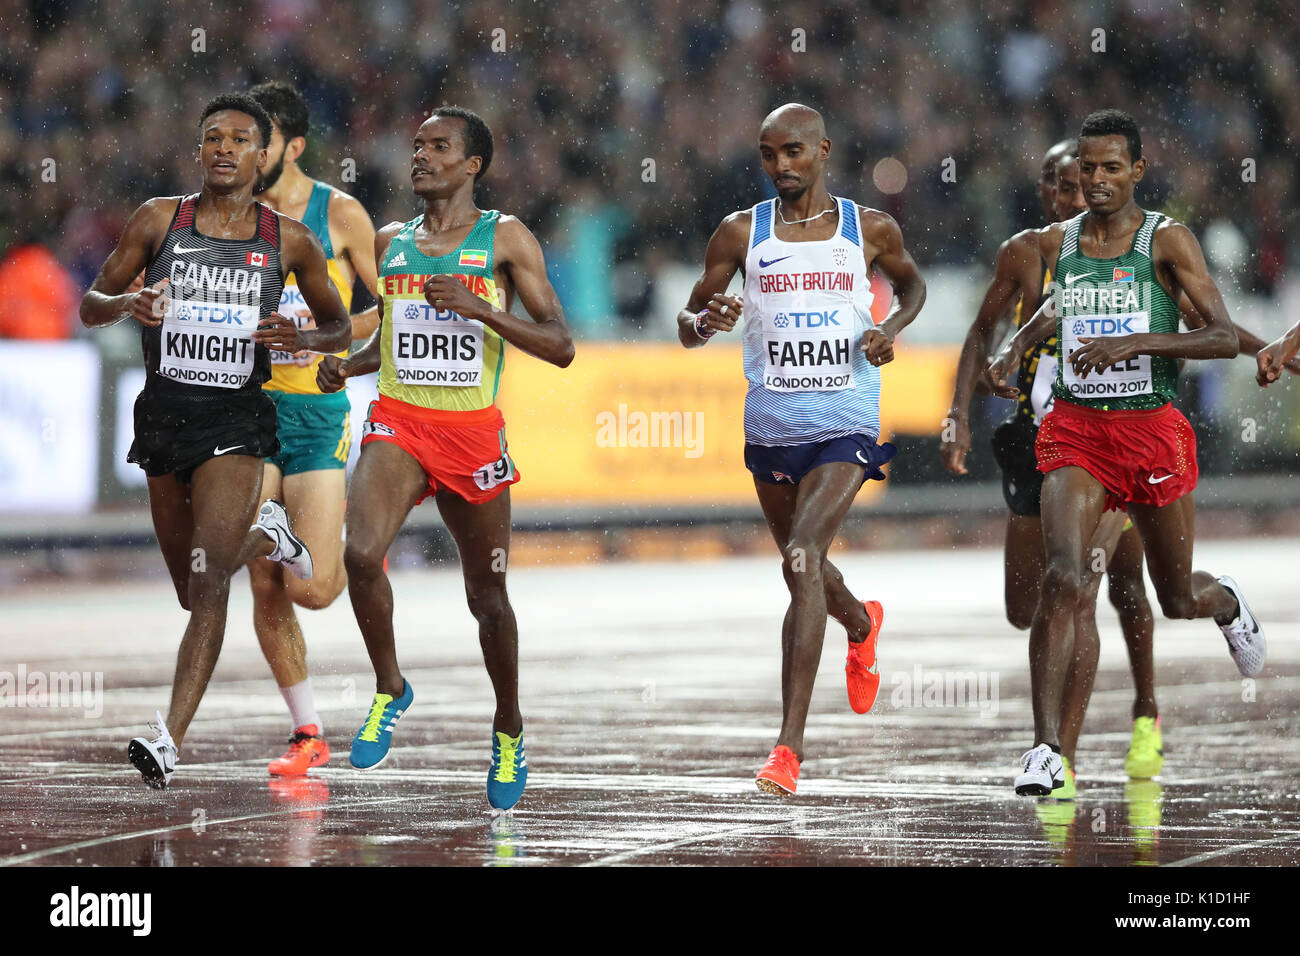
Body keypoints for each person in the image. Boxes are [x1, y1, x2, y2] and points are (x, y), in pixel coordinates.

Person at [987, 109, 1265, 797]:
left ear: (1137, 170)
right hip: (1078, 433)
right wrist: (1015, 344)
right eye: (1089, 168)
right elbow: (1058, 308)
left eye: (1113, 167)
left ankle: (1225, 603)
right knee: (1064, 579)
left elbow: (1223, 336)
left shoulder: (1164, 240)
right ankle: (1045, 750)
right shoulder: (1066, 241)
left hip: (1150, 431)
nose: (1098, 179)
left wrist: (1137, 343)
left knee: (1173, 596)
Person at [79, 93, 351, 789]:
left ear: (262, 155)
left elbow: (340, 329)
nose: (224, 148)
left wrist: (303, 338)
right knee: (188, 585)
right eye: (212, 137)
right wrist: (128, 304)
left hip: (237, 423)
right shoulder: (157, 219)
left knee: (208, 586)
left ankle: (167, 739)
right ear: (198, 151)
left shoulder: (288, 239)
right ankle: (272, 538)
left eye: (239, 139)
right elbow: (90, 304)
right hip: (165, 421)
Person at [316, 107, 574, 812]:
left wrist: (481, 309)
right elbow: (393, 342)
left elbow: (561, 344)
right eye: (418, 145)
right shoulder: (392, 240)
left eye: (439, 147)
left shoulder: (505, 238)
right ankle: (391, 686)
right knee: (361, 554)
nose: (421, 156)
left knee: (486, 598)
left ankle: (509, 725)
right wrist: (349, 365)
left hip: (472, 437)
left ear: (473, 166)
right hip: (398, 423)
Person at [677, 103, 925, 795]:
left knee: (803, 557)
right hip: (773, 425)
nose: (780, 166)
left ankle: (788, 749)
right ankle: (859, 620)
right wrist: (706, 320)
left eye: (792, 152)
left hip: (846, 416)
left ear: (823, 150)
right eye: (767, 155)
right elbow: (688, 323)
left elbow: (912, 286)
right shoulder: (739, 233)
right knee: (801, 571)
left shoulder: (867, 227)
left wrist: (892, 329)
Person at [944, 143, 1158, 797]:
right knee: (1026, 605)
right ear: (1045, 191)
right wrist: (959, 412)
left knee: (1093, 591)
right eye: (1059, 186)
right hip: (1035, 442)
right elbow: (981, 331)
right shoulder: (1025, 253)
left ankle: (1094, 735)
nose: (1071, 197)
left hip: (1110, 438)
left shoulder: (1127, 251)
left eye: (1081, 185)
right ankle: (1067, 738)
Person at [244, 80, 380, 777]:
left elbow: (386, 312)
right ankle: (307, 732)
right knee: (261, 577)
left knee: (315, 589)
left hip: (318, 410)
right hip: (247, 411)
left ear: (291, 146)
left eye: (254, 140)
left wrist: (326, 337)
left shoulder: (341, 213)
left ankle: (310, 545)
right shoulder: (230, 214)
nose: (241, 151)